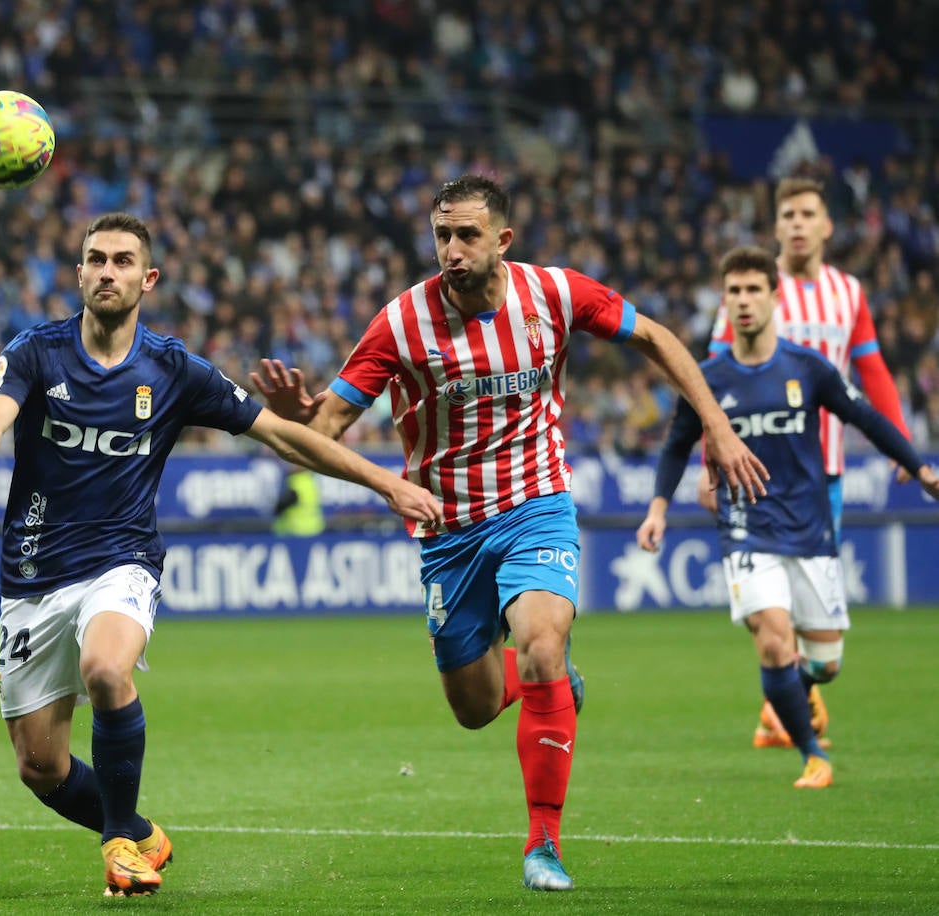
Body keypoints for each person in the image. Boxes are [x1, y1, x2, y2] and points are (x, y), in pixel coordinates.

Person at [250, 175, 768, 892]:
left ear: (502, 239)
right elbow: (322, 432)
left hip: (536, 505)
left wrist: (718, 426)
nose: (451, 251)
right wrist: (292, 418)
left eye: (466, 235)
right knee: (472, 709)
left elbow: (654, 336)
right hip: (449, 529)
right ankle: (544, 687)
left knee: (542, 644)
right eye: (441, 236)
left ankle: (543, 844)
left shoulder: (554, 294)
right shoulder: (400, 324)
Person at [0, 212, 442, 898]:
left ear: (147, 279)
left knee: (105, 667)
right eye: (96, 259)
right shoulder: (38, 351)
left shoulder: (172, 368)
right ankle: (143, 832)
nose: (108, 271)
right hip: (32, 575)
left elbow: (286, 438)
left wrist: (386, 481)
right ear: (80, 273)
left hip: (121, 563)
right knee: (41, 767)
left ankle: (120, 845)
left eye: (123, 261)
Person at [638, 246, 939, 789]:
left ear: (775, 298)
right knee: (774, 639)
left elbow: (866, 417)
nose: (744, 301)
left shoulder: (808, 368)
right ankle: (811, 754)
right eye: (734, 292)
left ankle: (793, 693)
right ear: (724, 303)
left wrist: (918, 468)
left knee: (824, 663)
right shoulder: (706, 377)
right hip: (746, 525)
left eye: (755, 290)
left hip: (810, 526)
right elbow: (677, 443)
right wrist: (658, 507)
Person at [702, 177, 912, 750]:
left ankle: (787, 699)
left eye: (807, 214)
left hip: (825, 472)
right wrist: (708, 461)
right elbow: (712, 385)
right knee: (774, 609)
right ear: (775, 227)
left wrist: (902, 445)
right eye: (787, 214)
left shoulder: (848, 292)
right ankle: (788, 708)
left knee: (813, 614)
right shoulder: (752, 288)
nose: (796, 223)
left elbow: (871, 369)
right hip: (755, 469)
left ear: (827, 226)